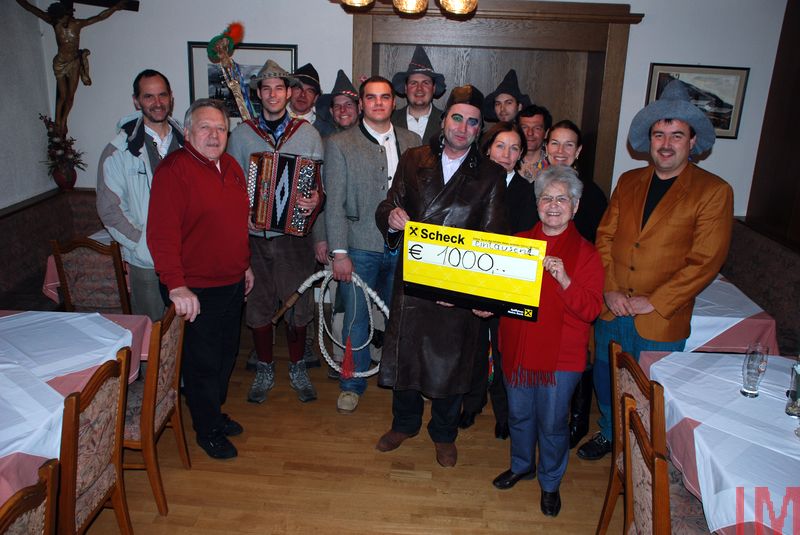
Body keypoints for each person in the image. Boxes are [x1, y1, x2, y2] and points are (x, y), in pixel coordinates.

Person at [577, 79, 734, 461]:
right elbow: (605, 237)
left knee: (651, 389)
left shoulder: (714, 191)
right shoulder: (628, 181)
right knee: (607, 379)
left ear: (692, 141)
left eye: (676, 135)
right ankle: (610, 432)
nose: (666, 143)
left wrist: (655, 301)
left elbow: (706, 260)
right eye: (659, 134)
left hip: (661, 317)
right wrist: (610, 289)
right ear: (649, 139)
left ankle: (642, 452)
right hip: (613, 308)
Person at [374, 85, 509, 468]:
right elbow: (389, 203)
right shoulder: (414, 159)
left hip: (457, 286)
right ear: (444, 118)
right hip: (414, 282)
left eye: (472, 122)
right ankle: (404, 424)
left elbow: (494, 240)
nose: (463, 128)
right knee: (407, 356)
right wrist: (390, 217)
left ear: (479, 129)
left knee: (452, 364)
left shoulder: (490, 174)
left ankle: (444, 433)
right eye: (457, 118)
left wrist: (469, 294)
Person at [493, 165, 603, 517]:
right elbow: (500, 293)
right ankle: (522, 465)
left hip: (560, 358)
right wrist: (486, 305)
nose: (553, 205)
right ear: (537, 203)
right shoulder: (518, 244)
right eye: (546, 198)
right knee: (519, 415)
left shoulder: (587, 253)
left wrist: (566, 280)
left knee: (553, 424)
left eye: (562, 199)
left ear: (575, 205)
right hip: (518, 348)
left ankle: (550, 483)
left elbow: (591, 310)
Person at [147, 98, 254, 460]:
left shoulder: (232, 167)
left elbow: (235, 225)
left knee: (226, 356)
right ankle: (206, 429)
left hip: (231, 282)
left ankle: (213, 412)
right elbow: (161, 235)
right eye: (205, 127)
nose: (214, 135)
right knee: (202, 364)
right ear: (189, 132)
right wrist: (176, 285)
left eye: (221, 128)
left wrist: (245, 265)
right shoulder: (173, 171)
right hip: (194, 289)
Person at [227, 59, 325, 405]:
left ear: (288, 93)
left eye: (279, 88)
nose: (272, 94)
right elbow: (230, 186)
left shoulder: (307, 134)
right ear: (258, 94)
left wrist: (316, 200)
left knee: (298, 304)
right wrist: (242, 218)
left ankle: (297, 366)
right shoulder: (241, 135)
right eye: (266, 89)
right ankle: (265, 367)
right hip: (253, 239)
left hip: (293, 239)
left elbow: (319, 185)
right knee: (258, 305)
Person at [325, 76, 420, 413]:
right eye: (371, 97)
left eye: (385, 97)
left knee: (403, 318)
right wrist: (339, 252)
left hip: (403, 246)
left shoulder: (412, 141)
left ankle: (402, 380)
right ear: (362, 103)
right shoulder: (339, 143)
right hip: (359, 245)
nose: (378, 103)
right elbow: (334, 202)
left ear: (393, 102)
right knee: (356, 319)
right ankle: (352, 383)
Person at [459, 121, 534, 439]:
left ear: (521, 154)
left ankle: (504, 414)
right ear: (488, 148)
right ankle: (471, 404)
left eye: (515, 148)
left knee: (504, 353)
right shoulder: (469, 184)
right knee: (472, 348)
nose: (507, 154)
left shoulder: (528, 192)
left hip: (507, 284)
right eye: (500, 146)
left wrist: (497, 290)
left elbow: (523, 244)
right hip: (471, 280)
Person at [97, 69, 184, 321]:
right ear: (137, 101)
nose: (157, 102)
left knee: (188, 330)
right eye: (149, 96)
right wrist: (142, 243)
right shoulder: (118, 151)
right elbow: (110, 210)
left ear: (171, 98)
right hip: (147, 262)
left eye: (162, 95)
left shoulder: (189, 142)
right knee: (151, 329)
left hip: (187, 258)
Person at [544, 119, 608, 448]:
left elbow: (599, 244)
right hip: (541, 282)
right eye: (555, 143)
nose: (561, 151)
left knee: (577, 355)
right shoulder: (537, 186)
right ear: (546, 147)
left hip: (574, 283)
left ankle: (578, 419)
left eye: (569, 144)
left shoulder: (592, 195)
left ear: (578, 151)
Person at [15, 0, 125, 134]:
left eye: (61, 18)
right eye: (57, 19)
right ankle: (58, 122)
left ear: (65, 15)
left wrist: (115, 8)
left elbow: (99, 17)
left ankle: (63, 122)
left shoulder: (77, 24)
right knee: (62, 95)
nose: (60, 21)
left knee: (70, 96)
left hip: (74, 63)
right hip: (60, 63)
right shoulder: (54, 23)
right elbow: (32, 9)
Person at [390, 45, 447, 145]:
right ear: (405, 88)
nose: (419, 88)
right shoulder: (390, 120)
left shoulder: (447, 121)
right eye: (413, 83)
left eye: (425, 83)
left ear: (433, 88)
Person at [314, 69, 359, 138]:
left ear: (359, 108)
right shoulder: (318, 137)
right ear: (331, 111)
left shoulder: (372, 136)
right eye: (337, 106)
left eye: (348, 104)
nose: (342, 110)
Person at [517, 104, 552, 182]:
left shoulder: (553, 166)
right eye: (524, 128)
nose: (530, 133)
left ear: (546, 133)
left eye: (537, 128)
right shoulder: (508, 161)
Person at [289, 62, 322, 128]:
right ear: (289, 91)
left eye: (309, 91)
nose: (303, 95)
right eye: (298, 88)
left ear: (315, 98)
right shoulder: (272, 119)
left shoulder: (325, 129)